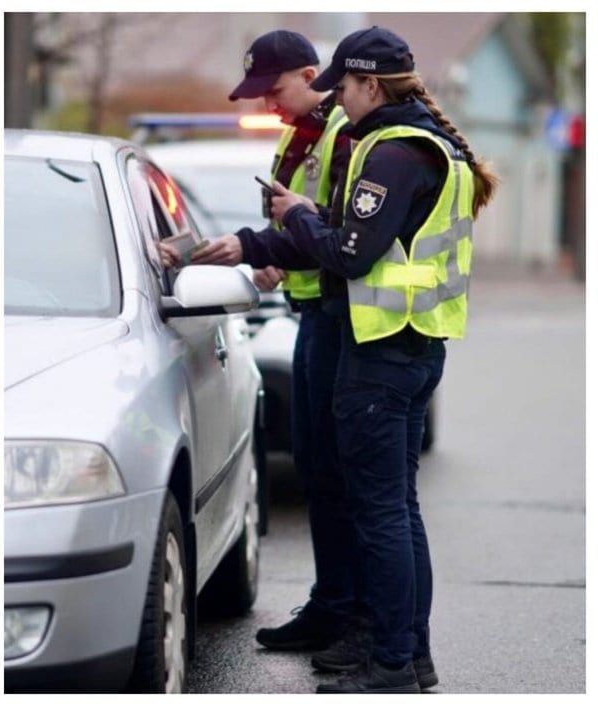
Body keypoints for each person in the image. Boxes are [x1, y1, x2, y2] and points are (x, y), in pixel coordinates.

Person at [265, 27, 498, 693]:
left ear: (371, 84)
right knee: (397, 508)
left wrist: (302, 217)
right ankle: (409, 656)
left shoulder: (394, 152)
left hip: (382, 352)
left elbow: (348, 254)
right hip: (414, 347)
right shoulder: (430, 143)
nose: (337, 95)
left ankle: (393, 662)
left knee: (381, 514)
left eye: (344, 84)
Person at [190, 29, 363, 657]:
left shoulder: (351, 131)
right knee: (318, 467)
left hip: (345, 319)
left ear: (312, 73)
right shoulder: (299, 134)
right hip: (310, 310)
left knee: (343, 474)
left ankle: (351, 616)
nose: (268, 106)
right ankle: (332, 605)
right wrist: (268, 262)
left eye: (275, 89)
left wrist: (257, 245)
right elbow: (294, 229)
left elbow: (336, 232)